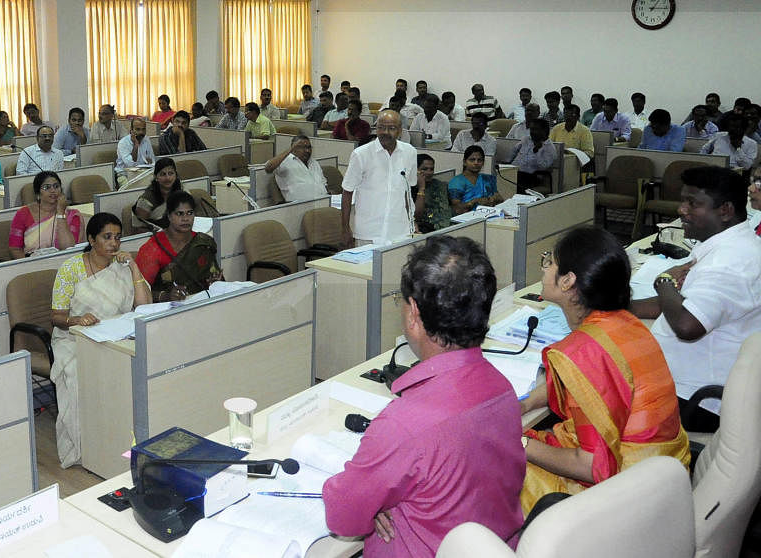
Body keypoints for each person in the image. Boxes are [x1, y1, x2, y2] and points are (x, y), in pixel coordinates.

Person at [323, 235, 524, 556]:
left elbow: (343, 516)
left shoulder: (404, 424)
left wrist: (373, 506)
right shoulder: (502, 387)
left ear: (414, 313)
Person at [521, 227, 690, 514]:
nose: (544, 269)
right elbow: (586, 387)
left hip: (625, 498)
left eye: (550, 262)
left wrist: (519, 441)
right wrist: (525, 404)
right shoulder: (624, 322)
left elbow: (591, 467)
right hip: (664, 477)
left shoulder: (586, 351)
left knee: (494, 464)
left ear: (568, 282)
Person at [631, 166, 761, 433]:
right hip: (694, 385)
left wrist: (664, 280)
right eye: (683, 201)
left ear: (724, 211)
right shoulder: (732, 244)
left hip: (696, 401)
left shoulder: (728, 262)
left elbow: (687, 325)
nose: (681, 210)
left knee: (587, 387)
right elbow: (683, 303)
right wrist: (620, 307)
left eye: (693, 203)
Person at [50, 212, 153, 467]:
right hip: (75, 339)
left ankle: (119, 440)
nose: (114, 243)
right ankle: (84, 447)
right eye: (107, 237)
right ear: (91, 239)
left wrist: (134, 265)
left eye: (118, 238)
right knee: (76, 375)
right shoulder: (71, 268)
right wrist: (78, 320)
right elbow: (56, 317)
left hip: (115, 335)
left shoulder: (121, 266)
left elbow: (143, 306)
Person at [340, 110, 417, 246]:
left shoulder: (410, 152)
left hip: (400, 231)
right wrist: (345, 229)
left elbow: (407, 193)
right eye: (381, 127)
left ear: (400, 131)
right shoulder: (361, 154)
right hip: (368, 232)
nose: (385, 132)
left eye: (391, 128)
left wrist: (412, 222)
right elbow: (347, 192)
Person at [135, 190, 222, 301]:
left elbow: (214, 277)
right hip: (167, 312)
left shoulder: (203, 243)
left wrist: (215, 283)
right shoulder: (153, 249)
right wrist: (166, 296)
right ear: (169, 216)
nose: (185, 219)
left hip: (202, 303)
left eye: (189, 213)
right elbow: (137, 293)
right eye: (179, 214)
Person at [9, 171, 83, 259]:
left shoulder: (71, 215)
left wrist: (60, 213)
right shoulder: (23, 214)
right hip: (31, 264)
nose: (53, 191)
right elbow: (15, 249)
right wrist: (27, 266)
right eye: (46, 187)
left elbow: (69, 249)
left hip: (63, 264)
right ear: (37, 194)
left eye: (56, 186)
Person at [265, 134, 328, 203]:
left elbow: (323, 183)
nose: (307, 150)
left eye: (309, 147)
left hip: (323, 201)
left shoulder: (314, 162)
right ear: (294, 148)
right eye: (302, 147)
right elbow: (268, 168)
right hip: (299, 206)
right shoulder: (285, 161)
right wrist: (290, 149)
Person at [133, 157, 183, 231]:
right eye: (163, 174)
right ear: (156, 177)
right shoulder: (146, 200)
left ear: (176, 175)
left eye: (171, 173)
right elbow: (140, 229)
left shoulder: (181, 191)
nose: (167, 178)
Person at [448, 146, 502, 213]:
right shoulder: (457, 182)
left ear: (483, 163)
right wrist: (473, 202)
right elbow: (456, 208)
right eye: (472, 160)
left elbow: (500, 199)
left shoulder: (488, 179)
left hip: (490, 215)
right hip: (466, 219)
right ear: (465, 162)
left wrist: (491, 199)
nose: (476, 163)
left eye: (479, 160)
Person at [508, 119, 557, 193]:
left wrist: (537, 151)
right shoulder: (527, 139)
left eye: (535, 129)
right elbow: (514, 150)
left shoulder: (549, 148)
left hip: (531, 178)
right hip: (513, 172)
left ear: (544, 131)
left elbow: (543, 167)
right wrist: (508, 163)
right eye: (531, 129)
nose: (532, 132)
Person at [413, 154, 451, 232]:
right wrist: (421, 188)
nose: (429, 172)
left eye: (431, 169)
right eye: (424, 169)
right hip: (425, 229)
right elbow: (416, 217)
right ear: (415, 170)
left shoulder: (441, 185)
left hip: (447, 226)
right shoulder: (410, 188)